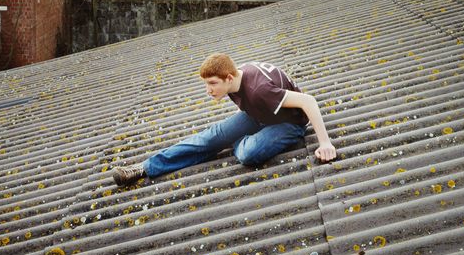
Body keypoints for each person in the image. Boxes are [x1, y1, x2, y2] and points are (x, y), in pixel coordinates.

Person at [112, 52, 337, 186]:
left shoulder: (259, 89)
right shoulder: (236, 78)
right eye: (206, 84)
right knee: (209, 138)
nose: (208, 90)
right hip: (258, 115)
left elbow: (308, 101)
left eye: (213, 84)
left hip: (289, 123)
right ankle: (144, 168)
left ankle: (237, 141)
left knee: (248, 154)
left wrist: (325, 143)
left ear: (229, 78)